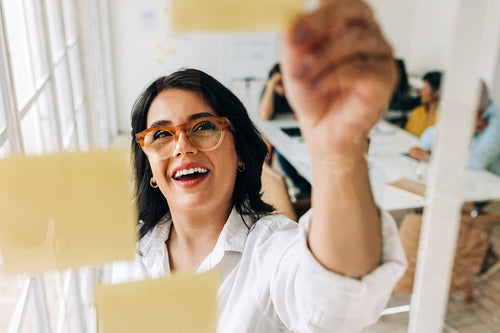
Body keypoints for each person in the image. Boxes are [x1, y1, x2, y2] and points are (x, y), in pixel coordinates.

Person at [129, 1, 406, 331]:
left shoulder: (271, 250)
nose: (182, 147)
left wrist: (339, 151)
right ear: (151, 170)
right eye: (161, 133)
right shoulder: (134, 253)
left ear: (240, 155)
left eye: (204, 127)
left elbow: (335, 303)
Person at [409, 80, 500, 176]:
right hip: (457, 175)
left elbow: (476, 164)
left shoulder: (496, 122)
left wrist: (430, 155)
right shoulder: (463, 109)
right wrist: (460, 129)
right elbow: (426, 139)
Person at [259, 63, 312, 200]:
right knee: (283, 153)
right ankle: (303, 185)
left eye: (285, 82)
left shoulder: (298, 89)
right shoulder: (269, 91)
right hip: (280, 132)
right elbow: (265, 115)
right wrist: (271, 85)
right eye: (279, 83)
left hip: (301, 131)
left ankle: (307, 185)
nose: (282, 87)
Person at [405, 71, 442, 137]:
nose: (421, 92)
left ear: (437, 92)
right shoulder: (417, 112)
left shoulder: (442, 119)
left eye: (425, 88)